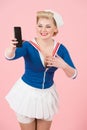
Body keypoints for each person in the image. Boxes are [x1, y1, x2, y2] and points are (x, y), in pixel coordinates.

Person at [5, 10, 77, 130]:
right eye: (40, 25)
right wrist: (11, 48)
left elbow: (74, 74)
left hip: (47, 96)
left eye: (48, 26)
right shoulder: (28, 45)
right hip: (26, 95)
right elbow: (9, 56)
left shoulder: (61, 49)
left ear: (55, 29)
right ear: (36, 27)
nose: (43, 30)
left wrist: (63, 65)